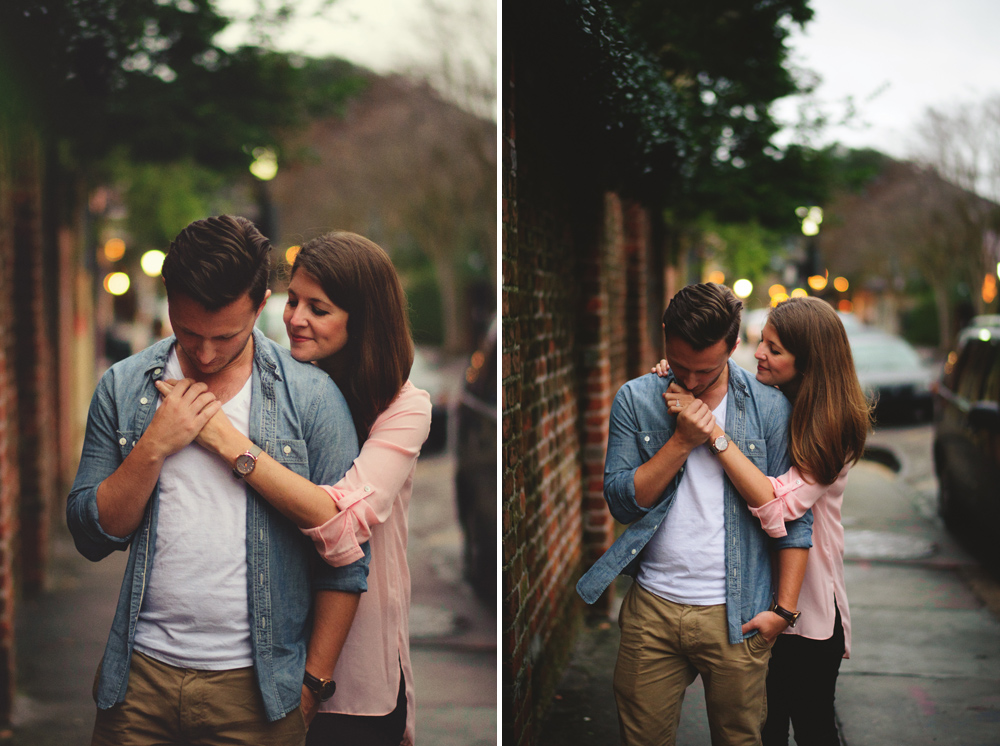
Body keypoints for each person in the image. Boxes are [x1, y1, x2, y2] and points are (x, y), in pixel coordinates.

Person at [67, 215, 370, 746]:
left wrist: (312, 685)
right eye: (187, 333)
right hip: (137, 684)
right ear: (168, 300)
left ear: (260, 306)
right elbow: (92, 535)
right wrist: (155, 444)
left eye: (225, 336)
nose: (204, 355)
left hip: (259, 693)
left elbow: (344, 558)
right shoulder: (122, 387)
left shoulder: (311, 398)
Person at [167, 231, 431, 746]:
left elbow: (345, 524)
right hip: (266, 657)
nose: (295, 319)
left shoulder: (404, 407)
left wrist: (229, 443)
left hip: (354, 669)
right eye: (293, 300)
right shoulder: (280, 388)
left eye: (319, 308)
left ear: (364, 319)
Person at [576, 282, 813, 746]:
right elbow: (622, 500)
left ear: (734, 345)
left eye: (705, 370)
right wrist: (682, 440)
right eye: (680, 364)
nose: (690, 379)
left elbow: (793, 520)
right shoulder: (638, 399)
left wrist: (782, 613)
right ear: (664, 335)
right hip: (653, 609)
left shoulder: (768, 407)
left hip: (739, 612)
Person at [658, 295, 871, 745]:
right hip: (757, 594)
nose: (759, 353)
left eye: (774, 349)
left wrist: (713, 434)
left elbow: (778, 509)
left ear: (808, 361)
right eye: (762, 342)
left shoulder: (833, 426)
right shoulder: (771, 403)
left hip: (806, 608)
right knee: (763, 729)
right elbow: (716, 385)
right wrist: (683, 373)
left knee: (812, 728)